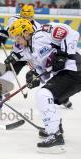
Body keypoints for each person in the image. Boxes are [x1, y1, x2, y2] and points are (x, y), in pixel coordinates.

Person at [5, 18, 81, 152]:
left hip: (74, 68)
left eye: (17, 37)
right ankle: (55, 127)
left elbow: (72, 33)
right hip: (67, 73)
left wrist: (63, 54)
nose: (16, 41)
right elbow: (44, 70)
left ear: (26, 32)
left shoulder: (42, 33)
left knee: (44, 95)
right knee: (46, 95)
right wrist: (34, 76)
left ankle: (55, 135)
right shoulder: (29, 51)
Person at [4, 4, 41, 75]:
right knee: (9, 74)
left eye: (28, 18)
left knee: (36, 76)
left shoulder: (37, 28)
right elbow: (9, 33)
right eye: (23, 17)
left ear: (32, 17)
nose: (25, 20)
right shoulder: (13, 20)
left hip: (32, 55)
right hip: (17, 52)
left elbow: (36, 48)